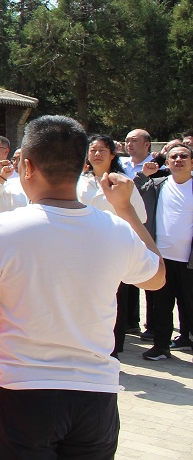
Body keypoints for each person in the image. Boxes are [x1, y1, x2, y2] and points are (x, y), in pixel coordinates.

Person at [0, 115, 164, 460]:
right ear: (81, 165)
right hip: (96, 393)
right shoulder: (115, 228)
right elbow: (156, 277)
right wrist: (125, 209)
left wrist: (9, 289)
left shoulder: (5, 228)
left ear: (28, 167)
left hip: (24, 390)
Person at [79, 135, 148, 355]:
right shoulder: (79, 181)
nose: (97, 154)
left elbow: (141, 216)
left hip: (113, 251)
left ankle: (113, 351)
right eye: (93, 150)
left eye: (102, 150)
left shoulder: (123, 182)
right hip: (82, 252)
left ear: (112, 154)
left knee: (114, 301)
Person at [135, 143, 193, 360]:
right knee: (161, 305)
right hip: (162, 258)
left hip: (189, 261)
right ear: (167, 163)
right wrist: (144, 173)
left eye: (183, 156)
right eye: (174, 157)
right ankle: (161, 347)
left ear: (192, 162)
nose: (178, 160)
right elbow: (132, 192)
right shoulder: (157, 185)